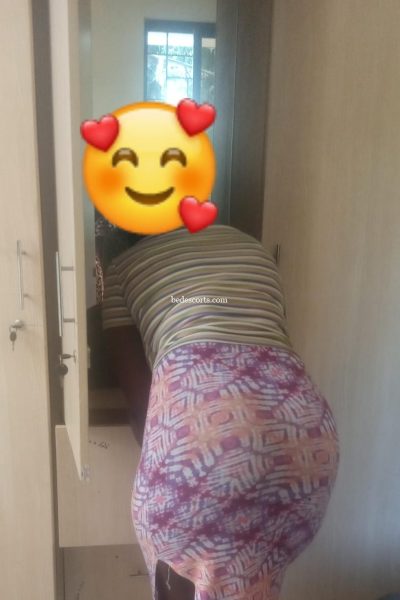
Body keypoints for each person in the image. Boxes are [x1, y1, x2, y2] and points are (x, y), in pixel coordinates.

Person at [102, 224, 339, 600]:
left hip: (206, 434)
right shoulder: (253, 248)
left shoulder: (120, 270)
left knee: (181, 577)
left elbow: (140, 403)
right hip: (306, 435)